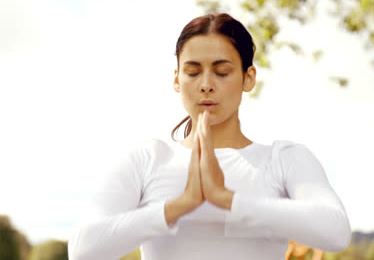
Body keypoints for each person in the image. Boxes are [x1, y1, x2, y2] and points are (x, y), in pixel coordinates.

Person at [67, 13, 352, 260]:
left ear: (248, 78)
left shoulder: (284, 159)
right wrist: (180, 205)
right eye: (193, 72)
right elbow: (83, 250)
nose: (206, 85)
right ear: (177, 79)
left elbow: (335, 232)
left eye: (222, 71)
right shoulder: (147, 160)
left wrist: (227, 199)